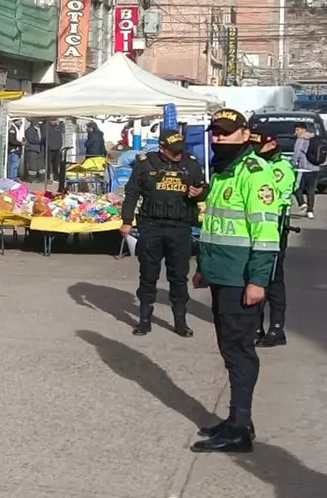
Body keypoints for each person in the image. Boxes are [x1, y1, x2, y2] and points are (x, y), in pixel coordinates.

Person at [192, 109, 281, 453]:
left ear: (245, 135)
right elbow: (213, 227)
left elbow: (266, 234)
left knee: (239, 352)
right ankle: (237, 420)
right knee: (229, 349)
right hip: (222, 274)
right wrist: (204, 267)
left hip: (242, 277)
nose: (218, 138)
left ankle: (240, 430)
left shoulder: (254, 174)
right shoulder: (224, 173)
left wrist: (258, 281)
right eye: (215, 132)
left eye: (226, 133)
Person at [120, 129, 206, 338]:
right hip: (152, 225)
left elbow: (204, 188)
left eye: (180, 151)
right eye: (173, 152)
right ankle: (144, 320)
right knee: (148, 274)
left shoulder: (191, 163)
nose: (178, 155)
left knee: (178, 276)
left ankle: (180, 321)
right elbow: (131, 193)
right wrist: (127, 221)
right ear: (161, 148)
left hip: (179, 227)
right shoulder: (145, 164)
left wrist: (200, 192)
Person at [250, 129, 296, 348]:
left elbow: (271, 196)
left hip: (275, 227)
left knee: (273, 279)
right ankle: (256, 325)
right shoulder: (258, 164)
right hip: (257, 227)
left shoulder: (281, 168)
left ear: (272, 144)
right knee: (255, 274)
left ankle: (277, 328)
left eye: (260, 147)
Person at [290, 123, 318, 219]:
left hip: (303, 168)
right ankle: (310, 211)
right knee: (311, 190)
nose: (295, 133)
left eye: (297, 130)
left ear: (303, 129)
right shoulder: (315, 139)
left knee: (296, 187)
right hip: (315, 168)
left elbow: (296, 155)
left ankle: (302, 204)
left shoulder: (301, 140)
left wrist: (292, 165)